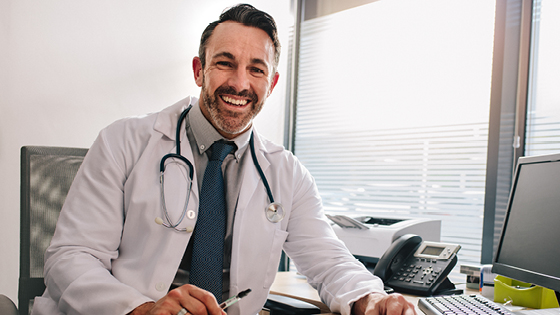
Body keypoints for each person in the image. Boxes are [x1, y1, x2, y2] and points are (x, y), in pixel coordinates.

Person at [33, 4, 417, 315]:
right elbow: (71, 258)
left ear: (272, 84)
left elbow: (329, 260)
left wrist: (371, 298)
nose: (240, 83)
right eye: (225, 63)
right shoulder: (124, 141)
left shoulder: (286, 173)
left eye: (256, 69)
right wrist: (141, 309)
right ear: (199, 70)